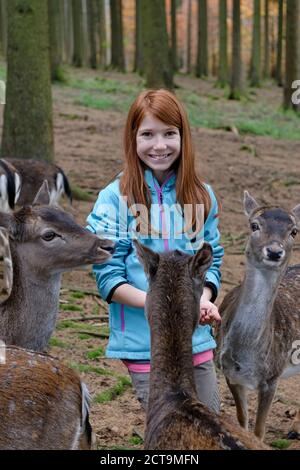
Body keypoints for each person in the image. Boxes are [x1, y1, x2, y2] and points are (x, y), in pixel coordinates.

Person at [86, 89, 224, 414]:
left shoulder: (202, 196)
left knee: (209, 425)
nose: (159, 145)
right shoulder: (114, 199)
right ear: (132, 138)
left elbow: (212, 260)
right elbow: (108, 276)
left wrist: (202, 299)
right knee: (168, 429)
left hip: (195, 343)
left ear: (182, 137)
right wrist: (156, 303)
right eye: (148, 134)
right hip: (144, 345)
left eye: (169, 134)